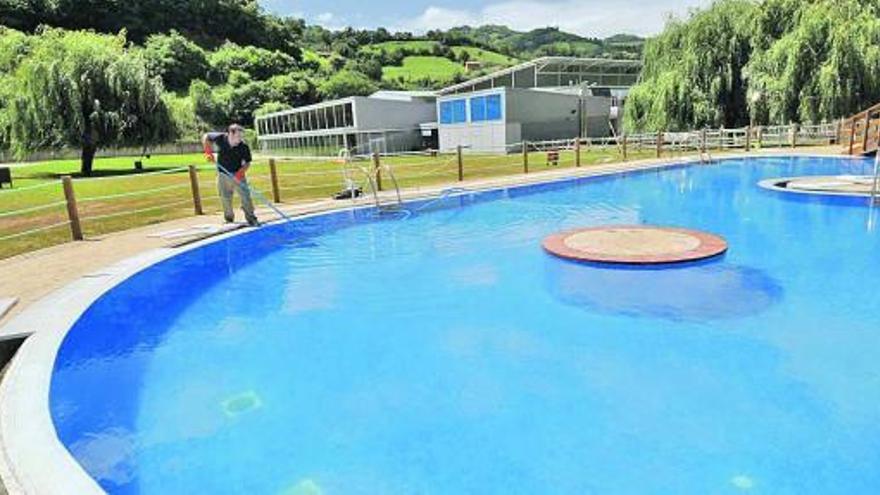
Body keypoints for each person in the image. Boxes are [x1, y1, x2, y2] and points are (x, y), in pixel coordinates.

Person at [202, 124, 259, 226]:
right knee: (225, 197)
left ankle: (251, 218)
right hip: (223, 174)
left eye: (241, 136)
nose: (240, 139)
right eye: (238, 136)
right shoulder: (221, 138)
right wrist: (208, 152)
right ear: (230, 134)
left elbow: (247, 163)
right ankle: (229, 219)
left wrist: (240, 173)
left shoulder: (243, 147)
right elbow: (206, 137)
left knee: (246, 196)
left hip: (238, 174)